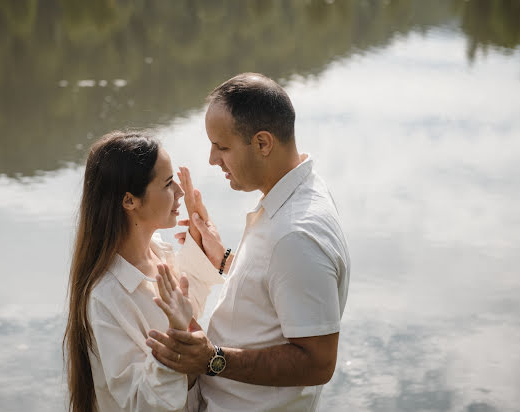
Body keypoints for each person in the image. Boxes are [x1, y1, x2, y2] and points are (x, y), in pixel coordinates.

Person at [146, 73, 351, 411]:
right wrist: (224, 259)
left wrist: (212, 359)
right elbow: (275, 290)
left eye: (222, 147)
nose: (213, 160)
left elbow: (317, 363)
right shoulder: (296, 192)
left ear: (262, 143)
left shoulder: (296, 235)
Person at [63, 131, 223, 412]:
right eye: (167, 184)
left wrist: (200, 243)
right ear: (129, 201)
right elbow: (140, 403)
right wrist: (176, 335)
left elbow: (188, 309)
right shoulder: (107, 296)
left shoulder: (158, 253)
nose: (180, 192)